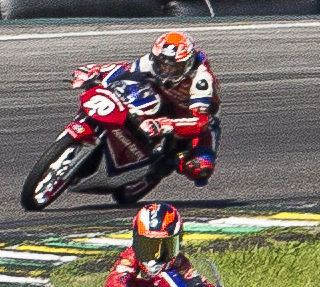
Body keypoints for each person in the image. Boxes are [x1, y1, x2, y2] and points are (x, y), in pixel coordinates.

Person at [74, 30, 219, 187]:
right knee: (132, 92)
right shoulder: (152, 60)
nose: (167, 72)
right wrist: (96, 72)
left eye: (174, 68)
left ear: (188, 63)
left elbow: (201, 123)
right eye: (162, 65)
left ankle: (163, 165)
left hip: (196, 117)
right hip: (164, 100)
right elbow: (126, 70)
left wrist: (165, 125)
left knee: (199, 169)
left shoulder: (202, 80)